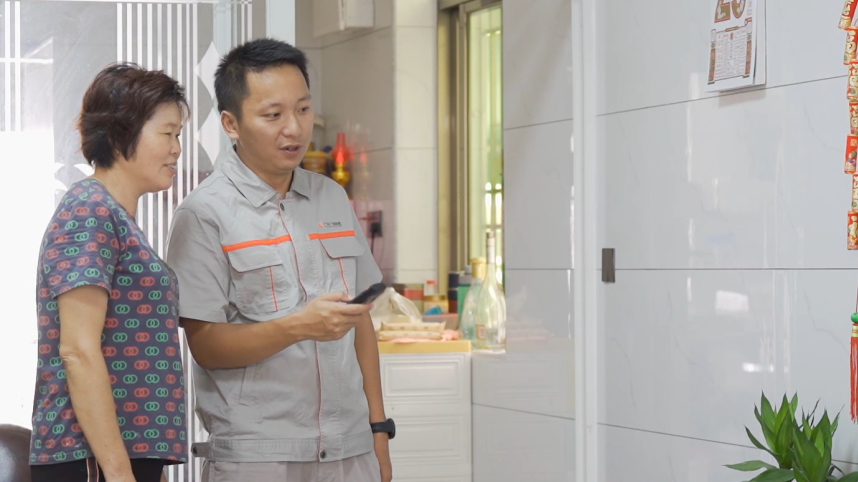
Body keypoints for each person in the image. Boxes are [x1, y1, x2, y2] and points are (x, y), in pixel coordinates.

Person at [165, 38, 393, 482]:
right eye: (273, 115)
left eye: (303, 109)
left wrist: (378, 430)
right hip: (258, 457)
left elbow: (359, 322)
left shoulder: (331, 196)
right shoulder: (204, 212)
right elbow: (206, 346)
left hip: (350, 451)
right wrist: (297, 326)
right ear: (230, 123)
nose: (294, 128)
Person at [29, 63, 189, 482]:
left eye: (179, 136)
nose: (176, 149)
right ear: (120, 136)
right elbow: (78, 351)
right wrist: (119, 473)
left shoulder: (114, 215)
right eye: (167, 134)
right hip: (91, 458)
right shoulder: (90, 210)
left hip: (119, 454)